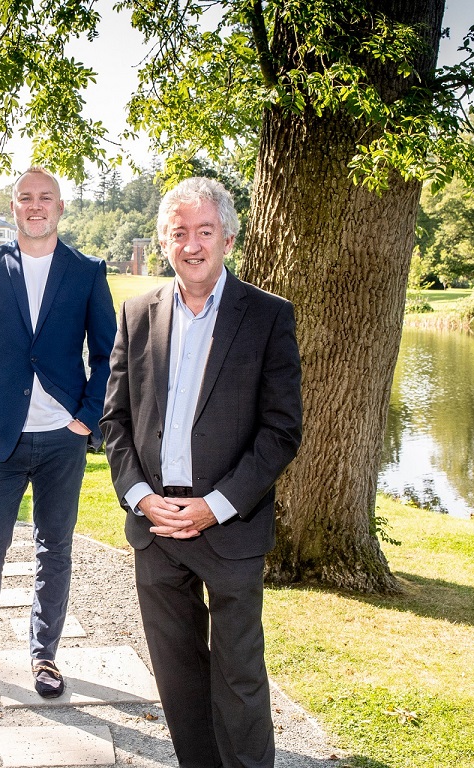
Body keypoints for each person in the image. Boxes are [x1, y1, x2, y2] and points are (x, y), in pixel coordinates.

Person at [100, 177, 303, 768]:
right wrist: (139, 496)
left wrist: (218, 504)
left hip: (230, 527)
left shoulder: (267, 317)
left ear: (229, 238)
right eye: (179, 232)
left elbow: (280, 430)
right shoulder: (137, 314)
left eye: (204, 231)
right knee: (180, 684)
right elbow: (114, 420)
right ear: (165, 241)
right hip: (157, 528)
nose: (192, 244)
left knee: (239, 682)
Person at [0, 167, 117, 704]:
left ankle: (45, 657)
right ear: (14, 207)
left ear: (61, 207)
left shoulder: (87, 272)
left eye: (46, 197)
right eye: (26, 198)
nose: (36, 205)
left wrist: (87, 419)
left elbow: (108, 354)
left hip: (62, 439)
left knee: (55, 548)